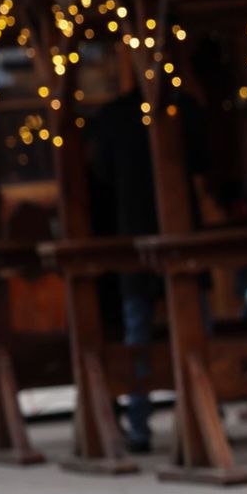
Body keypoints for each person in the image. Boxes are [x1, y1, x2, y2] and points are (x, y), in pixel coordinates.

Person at [88, 86, 211, 454]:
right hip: (173, 227)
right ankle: (208, 408)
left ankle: (144, 422)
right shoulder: (183, 106)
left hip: (135, 226)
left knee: (140, 328)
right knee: (186, 323)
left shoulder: (118, 114)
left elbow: (103, 173)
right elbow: (204, 162)